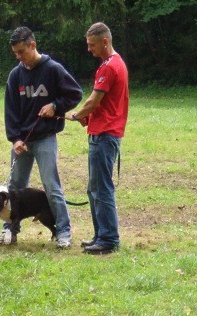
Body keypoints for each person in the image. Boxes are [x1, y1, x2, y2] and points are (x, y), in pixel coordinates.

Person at [2, 26, 83, 249]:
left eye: (21, 51)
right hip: (22, 141)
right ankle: (10, 230)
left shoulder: (53, 69)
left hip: (46, 137)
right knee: (15, 186)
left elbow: (75, 94)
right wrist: (15, 139)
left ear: (33, 45)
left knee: (51, 186)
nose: (19, 57)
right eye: (15, 53)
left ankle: (63, 231)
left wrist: (55, 105)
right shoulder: (15, 75)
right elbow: (10, 111)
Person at [68, 22, 128, 255]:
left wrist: (77, 114)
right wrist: (88, 117)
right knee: (94, 188)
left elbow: (93, 101)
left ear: (105, 41)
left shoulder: (108, 67)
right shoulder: (117, 62)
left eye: (92, 45)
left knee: (101, 189)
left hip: (104, 135)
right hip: (105, 131)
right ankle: (100, 234)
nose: (89, 49)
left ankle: (108, 238)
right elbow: (105, 103)